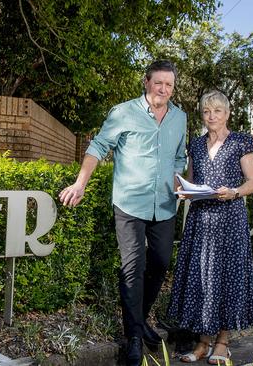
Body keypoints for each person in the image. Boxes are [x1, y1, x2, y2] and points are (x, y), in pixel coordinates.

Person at [59, 60, 187, 366]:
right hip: (130, 203)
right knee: (133, 267)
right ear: (146, 82)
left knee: (159, 263)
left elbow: (179, 156)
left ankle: (140, 320)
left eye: (169, 84)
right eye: (159, 83)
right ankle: (133, 337)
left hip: (166, 205)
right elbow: (99, 146)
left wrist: (180, 182)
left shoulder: (179, 117)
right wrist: (80, 183)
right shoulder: (123, 112)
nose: (164, 90)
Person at [168, 90, 253, 364]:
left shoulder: (241, 141)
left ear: (227, 113)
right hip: (200, 220)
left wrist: (233, 191)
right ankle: (202, 343)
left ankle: (222, 343)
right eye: (207, 111)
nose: (212, 116)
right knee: (201, 279)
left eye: (217, 111)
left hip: (229, 220)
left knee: (225, 278)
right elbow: (190, 181)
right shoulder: (196, 145)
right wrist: (184, 191)